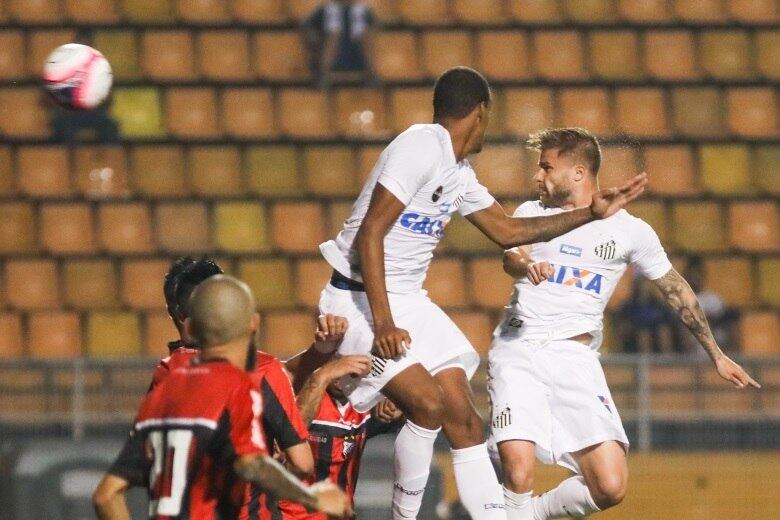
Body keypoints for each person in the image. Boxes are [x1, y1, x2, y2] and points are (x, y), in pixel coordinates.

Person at [317, 66, 648, 519]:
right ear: (479, 112)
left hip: (408, 299)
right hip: (360, 298)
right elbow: (370, 233)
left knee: (466, 421)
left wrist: (590, 213)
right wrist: (384, 322)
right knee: (428, 404)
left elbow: (507, 229)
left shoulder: (458, 171)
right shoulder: (419, 146)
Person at [489, 127, 760, 519]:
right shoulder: (532, 214)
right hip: (520, 347)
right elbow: (510, 258)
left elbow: (675, 289)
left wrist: (716, 354)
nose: (537, 176)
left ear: (579, 173)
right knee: (518, 468)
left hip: (575, 356)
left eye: (547, 167)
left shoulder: (630, 231)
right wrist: (527, 265)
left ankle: (527, 512)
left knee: (610, 486)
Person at [92, 275, 349, 520]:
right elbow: (273, 464)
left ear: (190, 327)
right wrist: (312, 498)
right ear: (253, 325)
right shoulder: (241, 387)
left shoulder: (161, 394)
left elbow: (106, 496)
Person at [279, 336, 404, 519]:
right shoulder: (306, 395)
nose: (341, 373)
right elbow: (291, 434)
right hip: (291, 515)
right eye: (337, 361)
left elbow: (422, 412)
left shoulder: (365, 403)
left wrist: (399, 409)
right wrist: (322, 376)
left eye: (349, 363)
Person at [304, 0, 376, 87]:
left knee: (363, 32)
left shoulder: (363, 11)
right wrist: (314, 39)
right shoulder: (326, 9)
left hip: (359, 62)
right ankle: (323, 73)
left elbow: (376, 33)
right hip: (330, 65)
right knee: (334, 30)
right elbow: (308, 27)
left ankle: (371, 74)